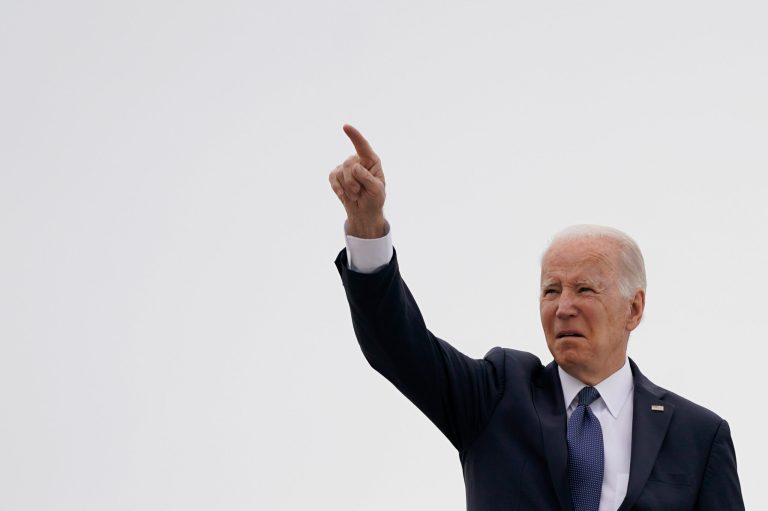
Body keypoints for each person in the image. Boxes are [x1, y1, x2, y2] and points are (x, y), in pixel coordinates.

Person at [329, 125, 744, 511]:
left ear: (633, 308)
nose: (563, 307)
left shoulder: (698, 436)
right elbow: (397, 344)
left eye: (584, 290)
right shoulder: (496, 396)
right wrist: (367, 228)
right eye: (551, 291)